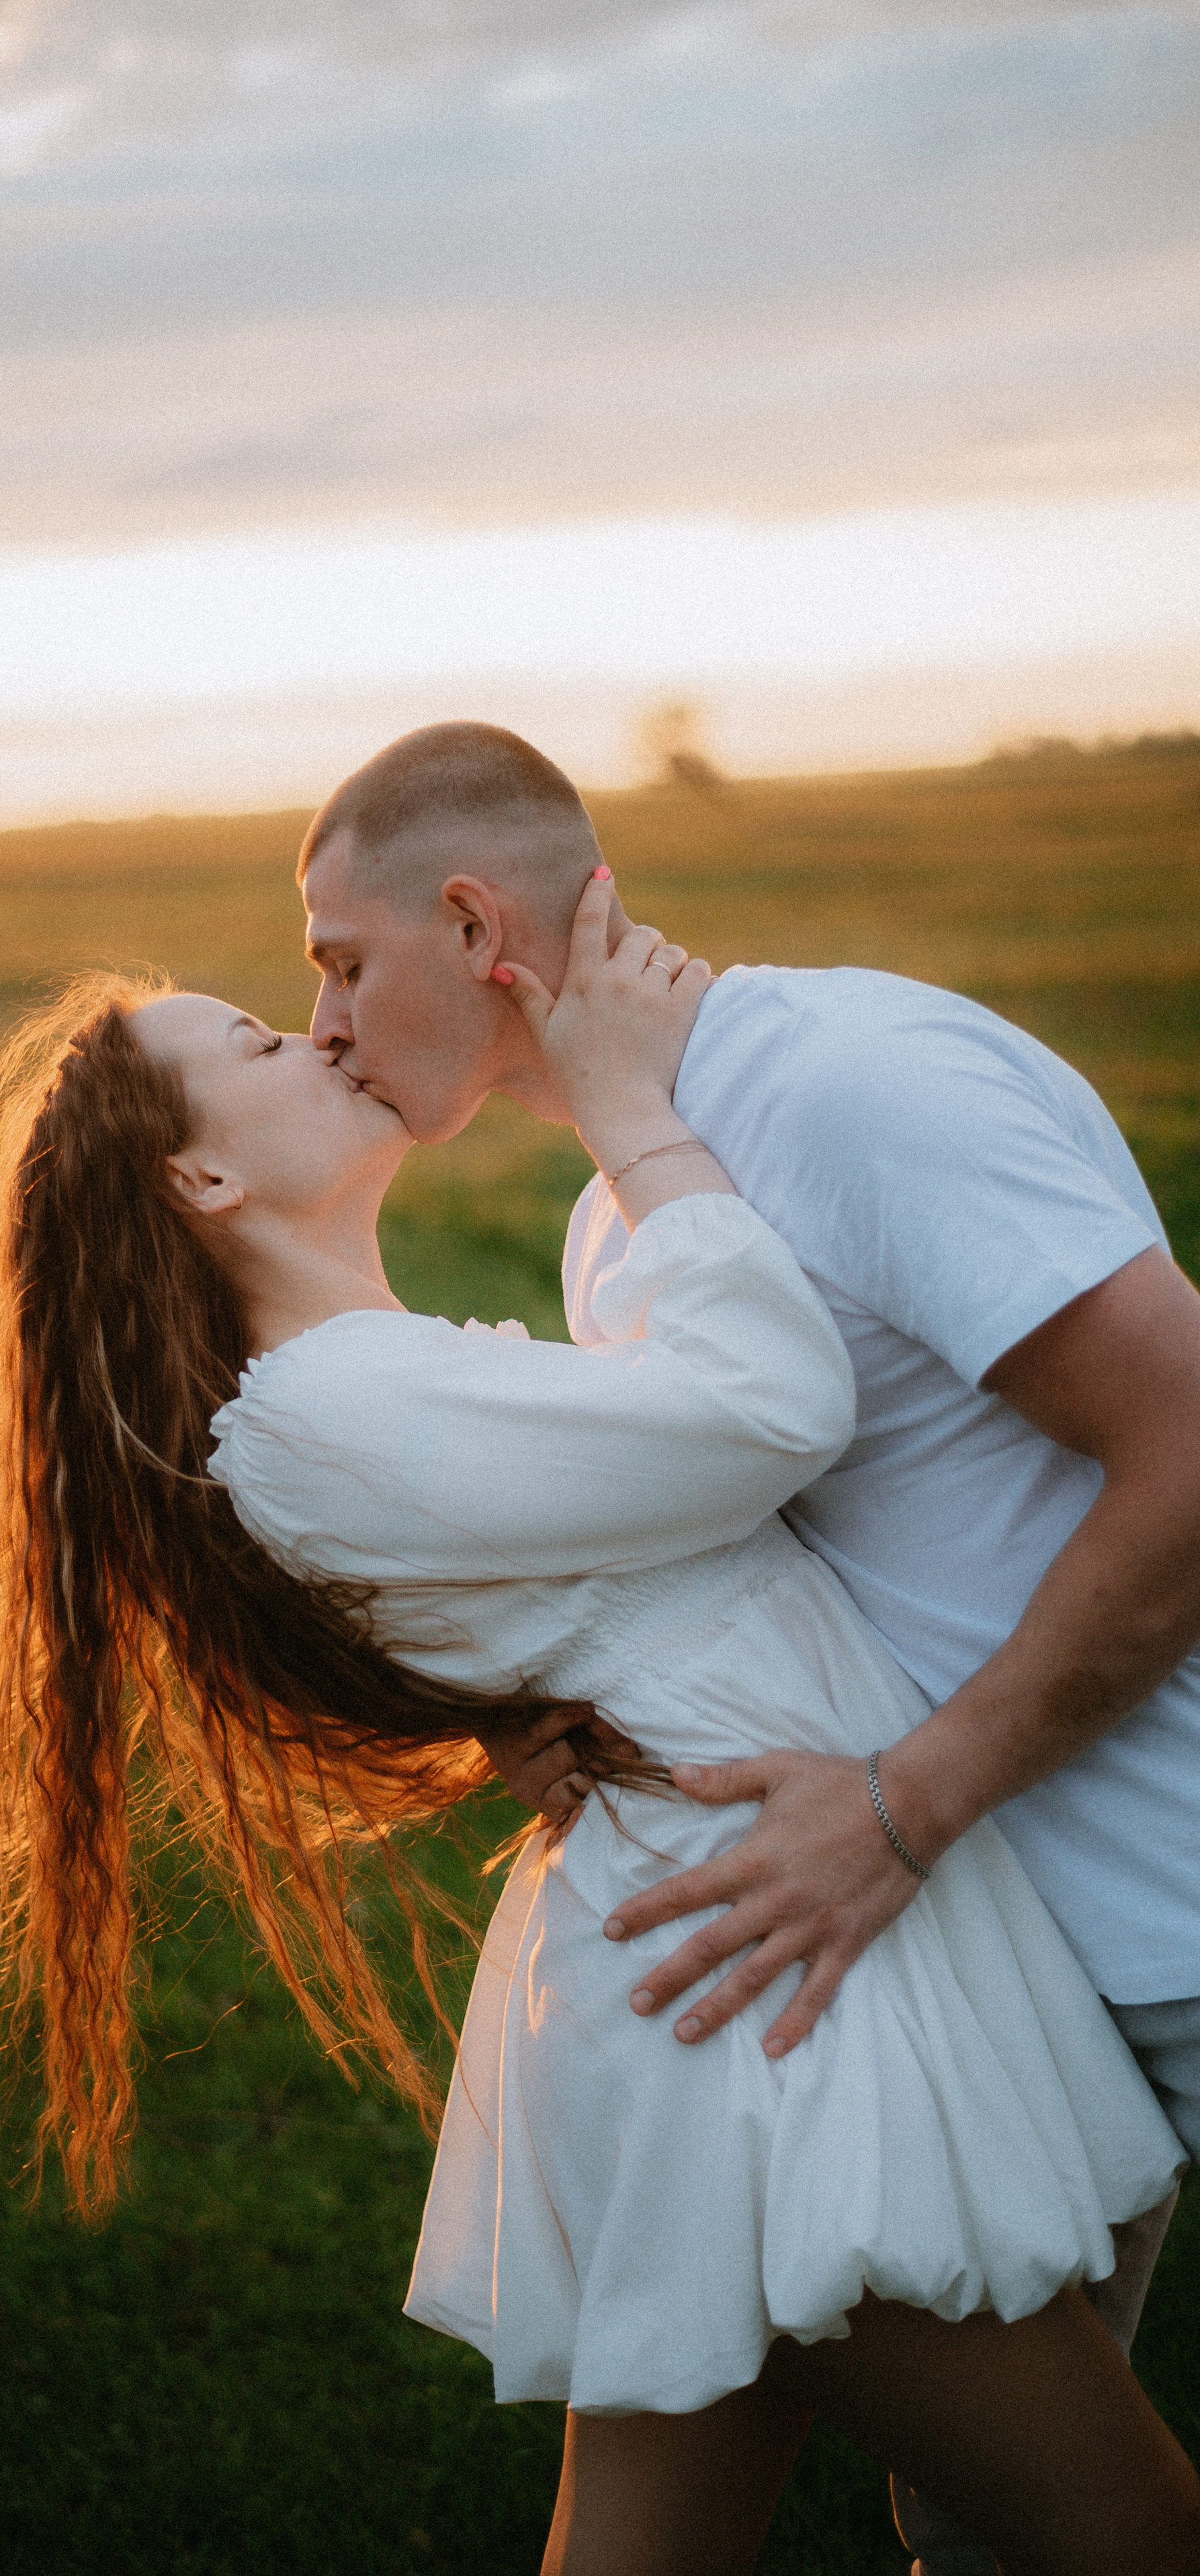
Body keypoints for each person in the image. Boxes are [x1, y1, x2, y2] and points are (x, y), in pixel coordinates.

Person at [0, 926, 1196, 2576]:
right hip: (755, 2012)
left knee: (646, 2551)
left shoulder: (375, 1384)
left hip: (734, 1946)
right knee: (1131, 2533)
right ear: (203, 1185)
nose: (311, 1041)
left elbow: (618, 1570)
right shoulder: (331, 1410)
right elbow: (767, 1408)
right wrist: (626, 1107)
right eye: (252, 1043)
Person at [298, 719, 1200, 2575]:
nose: (319, 1022)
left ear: (477, 923)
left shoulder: (847, 1083)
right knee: (1003, 2516)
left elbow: (1193, 1444)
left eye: (338, 961)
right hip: (988, 1970)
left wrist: (905, 1800)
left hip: (1164, 1898)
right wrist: (554, 1717)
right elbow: (760, 1568)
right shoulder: (621, 1230)